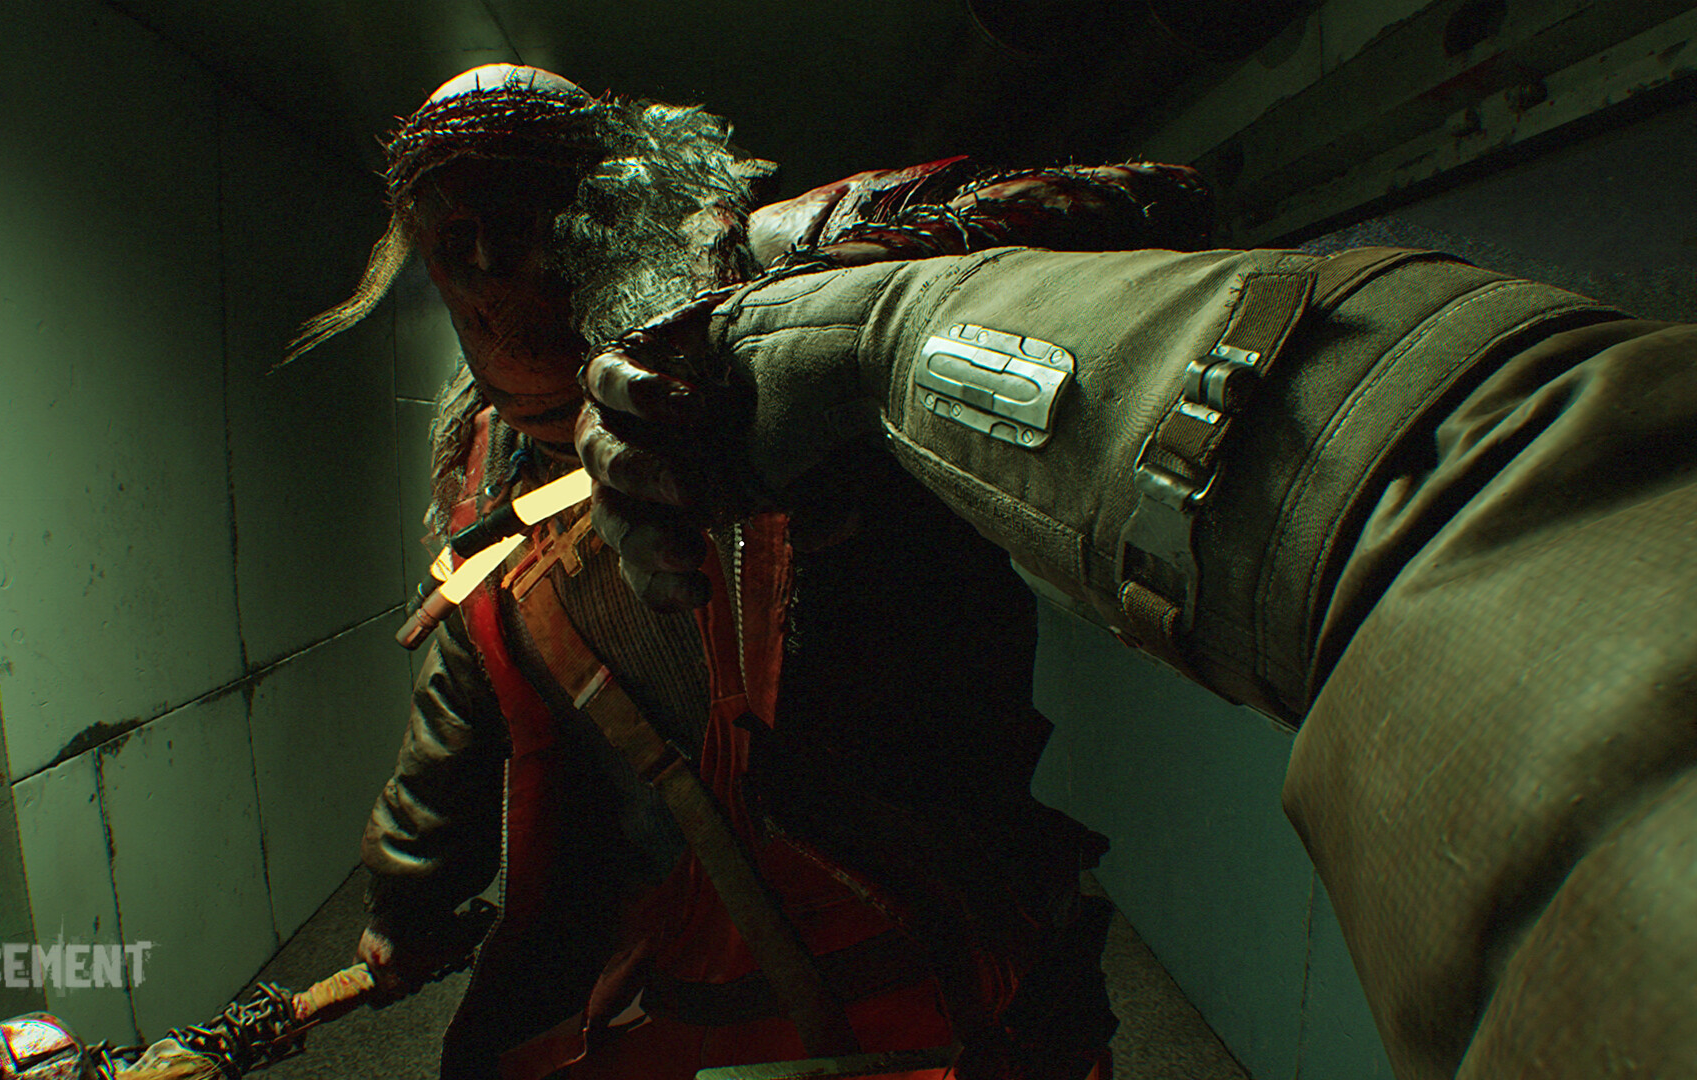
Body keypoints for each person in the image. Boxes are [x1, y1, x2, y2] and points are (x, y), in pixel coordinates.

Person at [289, 63, 1216, 1080]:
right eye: (450, 240)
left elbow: (1149, 206)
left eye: (513, 219)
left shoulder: (764, 291)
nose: (486, 268)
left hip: (918, 901)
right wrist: (411, 892)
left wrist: (831, 323)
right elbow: (472, 681)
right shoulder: (485, 467)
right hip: (670, 940)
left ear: (605, 203)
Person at [575, 239, 1697, 1078]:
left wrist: (878, 337)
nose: (499, 271)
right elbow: (1537, 524)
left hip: (957, 940)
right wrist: (880, 335)